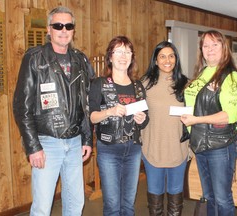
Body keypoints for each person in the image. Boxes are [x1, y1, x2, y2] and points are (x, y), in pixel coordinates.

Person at [13, 6, 94, 216]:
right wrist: (33, 147)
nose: (63, 30)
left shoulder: (80, 60)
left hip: (75, 142)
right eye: (58, 25)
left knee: (75, 203)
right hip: (47, 143)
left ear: (73, 30)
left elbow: (84, 103)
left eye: (69, 25)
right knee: (41, 207)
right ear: (49, 29)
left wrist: (86, 138)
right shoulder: (34, 58)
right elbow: (22, 106)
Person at [180, 30, 237, 216]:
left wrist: (195, 120)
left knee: (223, 198)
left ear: (224, 48)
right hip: (200, 143)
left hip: (220, 146)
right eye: (206, 45)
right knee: (209, 195)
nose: (210, 49)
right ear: (201, 49)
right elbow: (196, 104)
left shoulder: (231, 77)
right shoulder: (202, 73)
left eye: (215, 44)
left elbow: (229, 115)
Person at [89, 36, 149, 216]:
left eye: (128, 52)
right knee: (113, 205)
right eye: (119, 51)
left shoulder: (138, 86)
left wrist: (141, 119)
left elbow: (146, 119)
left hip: (133, 148)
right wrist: (109, 111)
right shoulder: (99, 84)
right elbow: (92, 117)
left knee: (129, 203)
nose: (123, 56)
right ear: (110, 56)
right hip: (108, 149)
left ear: (132, 57)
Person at [140, 41, 189, 215]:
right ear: (155, 60)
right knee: (155, 199)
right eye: (162, 56)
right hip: (152, 149)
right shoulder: (144, 85)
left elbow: (194, 117)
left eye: (171, 56)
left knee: (176, 198)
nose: (167, 60)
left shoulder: (186, 84)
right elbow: (137, 116)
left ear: (176, 59)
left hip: (178, 149)